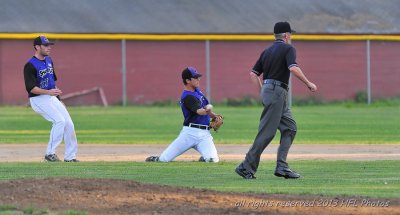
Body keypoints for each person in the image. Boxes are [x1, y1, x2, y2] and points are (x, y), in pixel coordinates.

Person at [235, 22, 317, 179]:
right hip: (277, 92)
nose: (291, 37)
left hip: (272, 91)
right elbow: (293, 68)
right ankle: (246, 167)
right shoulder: (288, 48)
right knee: (267, 132)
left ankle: (282, 167)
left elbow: (253, 74)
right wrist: (308, 83)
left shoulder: (267, 51)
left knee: (290, 127)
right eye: (290, 34)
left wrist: (263, 93)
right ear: (286, 35)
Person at [146, 67, 220, 163]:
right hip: (189, 134)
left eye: (198, 77)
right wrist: (207, 109)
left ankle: (205, 158)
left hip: (204, 135)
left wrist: (215, 117)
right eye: (195, 77)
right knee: (164, 159)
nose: (198, 79)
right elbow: (199, 111)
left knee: (212, 160)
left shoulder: (198, 92)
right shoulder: (188, 96)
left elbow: (206, 111)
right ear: (188, 80)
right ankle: (156, 159)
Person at [23, 36, 79, 162]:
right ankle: (50, 154)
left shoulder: (49, 60)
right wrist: (48, 92)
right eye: (46, 45)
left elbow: (52, 83)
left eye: (50, 45)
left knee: (69, 124)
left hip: (51, 97)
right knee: (59, 121)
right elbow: (30, 88)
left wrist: (59, 100)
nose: (49, 48)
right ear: (37, 47)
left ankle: (70, 157)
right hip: (38, 100)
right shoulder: (30, 65)